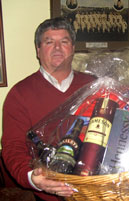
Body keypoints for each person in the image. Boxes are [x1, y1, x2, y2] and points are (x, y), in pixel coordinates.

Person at [1, 17, 96, 201]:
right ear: (38, 50)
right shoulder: (19, 94)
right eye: (49, 42)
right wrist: (33, 178)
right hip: (49, 196)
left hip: (95, 191)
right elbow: (13, 147)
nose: (58, 48)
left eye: (64, 41)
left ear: (73, 48)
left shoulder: (93, 85)